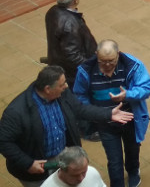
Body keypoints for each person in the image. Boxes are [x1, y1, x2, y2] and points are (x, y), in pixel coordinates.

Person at [0, 65, 133, 186]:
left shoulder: (62, 94)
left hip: (64, 157)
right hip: (37, 168)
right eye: (62, 84)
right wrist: (27, 163)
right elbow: (3, 141)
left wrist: (108, 114)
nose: (66, 86)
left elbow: (80, 109)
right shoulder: (16, 112)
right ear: (48, 89)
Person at [73, 41, 150, 187]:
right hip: (106, 124)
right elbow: (79, 96)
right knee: (114, 161)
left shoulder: (133, 66)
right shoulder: (86, 71)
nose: (107, 65)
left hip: (131, 121)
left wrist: (127, 95)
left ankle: (133, 172)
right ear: (96, 55)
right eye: (103, 61)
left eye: (111, 61)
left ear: (118, 54)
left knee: (132, 150)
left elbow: (146, 88)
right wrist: (98, 113)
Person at [44, 0, 97, 92]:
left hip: (57, 62)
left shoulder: (52, 11)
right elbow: (72, 55)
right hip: (72, 73)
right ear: (75, 0)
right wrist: (91, 67)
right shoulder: (70, 25)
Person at [39, 147, 105, 187]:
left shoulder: (92, 172)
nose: (81, 178)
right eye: (75, 175)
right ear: (62, 169)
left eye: (84, 172)